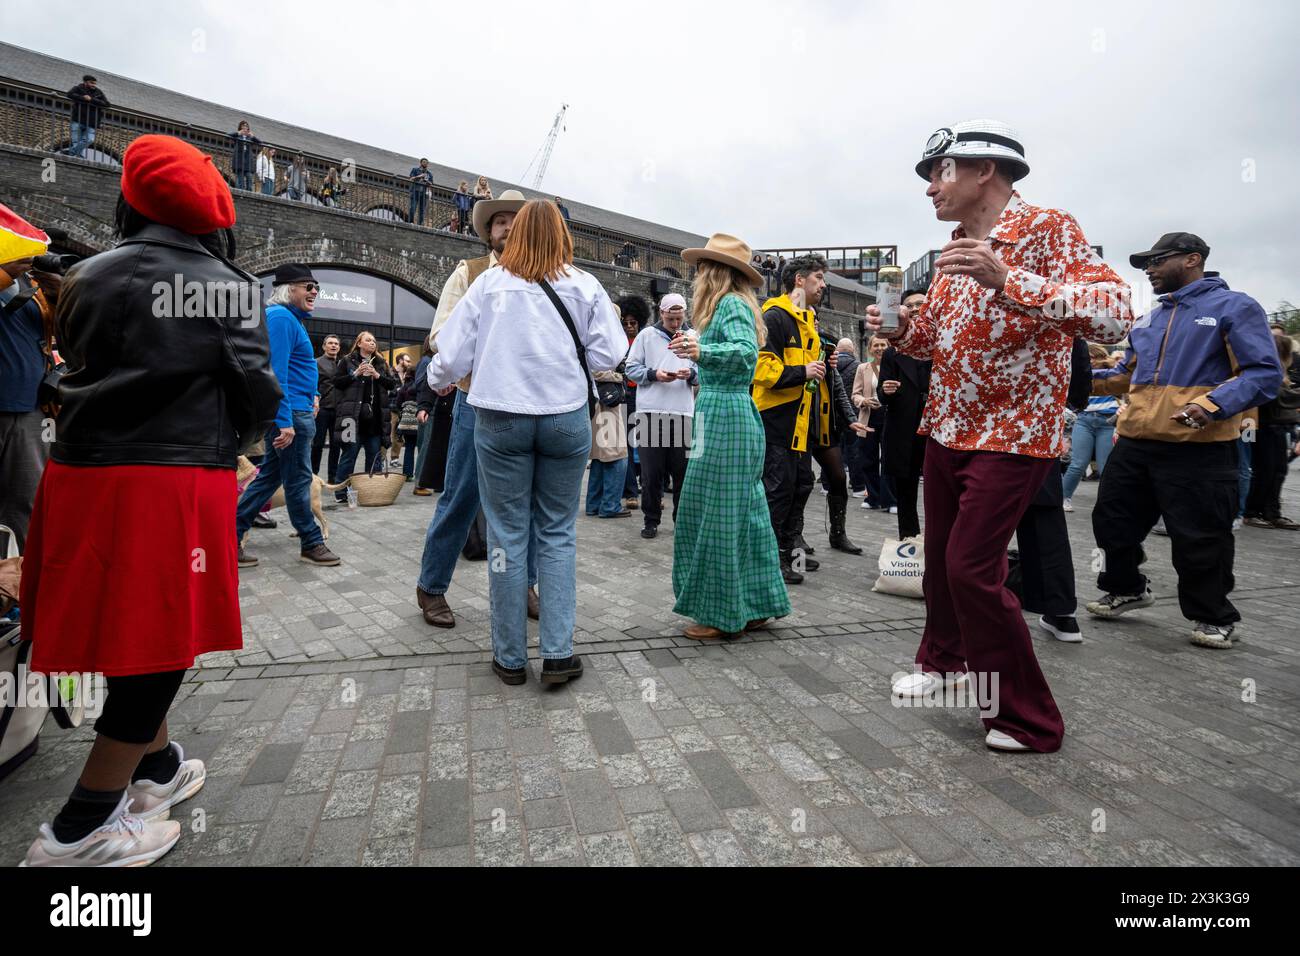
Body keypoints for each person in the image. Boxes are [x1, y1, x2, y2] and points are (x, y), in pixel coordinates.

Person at [20, 135, 281, 866]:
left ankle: (157, 769)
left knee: (124, 627)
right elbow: (259, 393)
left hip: (79, 472)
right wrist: (241, 437)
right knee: (162, 644)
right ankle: (80, 827)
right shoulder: (226, 284)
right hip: (170, 478)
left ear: (131, 197)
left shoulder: (85, 275)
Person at [870, 119, 1133, 753]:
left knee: (970, 569)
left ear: (983, 170)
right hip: (948, 426)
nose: (931, 187)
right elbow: (935, 340)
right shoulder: (955, 247)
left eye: (940, 172)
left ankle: (1025, 717)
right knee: (941, 562)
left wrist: (1009, 280)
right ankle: (945, 665)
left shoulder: (1047, 229)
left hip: (1012, 433)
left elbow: (1117, 313)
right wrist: (902, 327)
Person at [426, 199, 626, 685]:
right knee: (557, 533)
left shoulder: (489, 284)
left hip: (500, 420)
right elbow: (612, 352)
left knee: (507, 534)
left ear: (517, 236)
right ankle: (558, 654)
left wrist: (436, 380)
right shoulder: (585, 284)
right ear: (562, 235)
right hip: (563, 418)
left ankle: (510, 658)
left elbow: (448, 358)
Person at [1087, 233, 1282, 648]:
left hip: (1202, 448)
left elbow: (1263, 374)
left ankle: (1213, 616)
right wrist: (1069, 381)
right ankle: (1128, 587)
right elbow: (1123, 375)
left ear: (1193, 259)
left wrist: (1210, 405)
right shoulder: (1149, 319)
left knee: (1199, 537)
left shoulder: (1235, 307)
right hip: (1137, 441)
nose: (1149, 269)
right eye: (1145, 263)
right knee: (1110, 522)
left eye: (1158, 260)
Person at [415, 189, 540, 629]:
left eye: (515, 220)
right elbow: (438, 337)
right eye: (499, 221)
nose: (507, 227)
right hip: (476, 398)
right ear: (488, 231)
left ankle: (524, 582)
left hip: (528, 402)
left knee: (524, 500)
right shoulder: (467, 273)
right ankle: (431, 587)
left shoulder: (541, 277)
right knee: (462, 495)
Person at [668, 234, 790, 639]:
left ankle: (720, 614)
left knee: (716, 513)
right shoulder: (728, 306)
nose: (696, 274)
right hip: (722, 411)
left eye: (701, 267)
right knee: (743, 512)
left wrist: (702, 352)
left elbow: (744, 354)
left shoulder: (731, 304)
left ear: (715, 272)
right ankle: (755, 604)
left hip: (725, 414)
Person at [756, 255, 865, 585]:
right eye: (818, 277)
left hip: (802, 425)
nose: (823, 284)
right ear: (799, 281)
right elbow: (761, 370)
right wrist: (803, 371)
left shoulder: (807, 322)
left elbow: (818, 377)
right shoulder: (774, 316)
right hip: (777, 422)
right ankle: (772, 563)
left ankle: (794, 558)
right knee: (778, 492)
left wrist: (823, 360)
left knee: (800, 487)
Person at [236, 264, 341, 568]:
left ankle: (230, 535)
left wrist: (314, 396)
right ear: (288, 289)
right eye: (308, 286)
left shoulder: (288, 319)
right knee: (297, 481)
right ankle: (311, 541)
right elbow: (276, 373)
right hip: (291, 415)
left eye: (316, 286)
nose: (314, 291)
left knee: (270, 477)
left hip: (298, 409)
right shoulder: (281, 318)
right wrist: (283, 420)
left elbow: (293, 371)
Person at [1013, 337, 1092, 644]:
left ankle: (966, 605)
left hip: (985, 431)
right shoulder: (1059, 311)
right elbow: (1080, 383)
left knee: (977, 520)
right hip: (1037, 429)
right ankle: (1060, 611)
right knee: (1045, 522)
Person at [0, 210, 60, 552]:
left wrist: (59, 292)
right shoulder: (9, 277)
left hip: (31, 409)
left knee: (26, 501)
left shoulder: (34, 286)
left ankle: (18, 584)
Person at [625, 293, 697, 539]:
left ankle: (683, 521)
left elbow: (705, 372)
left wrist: (692, 375)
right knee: (651, 472)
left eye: (679, 318)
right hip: (649, 411)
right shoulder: (646, 336)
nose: (676, 324)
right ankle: (651, 519)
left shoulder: (693, 337)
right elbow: (631, 369)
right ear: (661, 313)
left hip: (684, 412)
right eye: (671, 319)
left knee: (684, 473)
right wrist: (655, 374)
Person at [877, 289, 932, 538]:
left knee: (940, 491)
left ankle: (938, 543)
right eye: (910, 305)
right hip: (904, 427)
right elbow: (881, 393)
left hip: (935, 428)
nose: (916, 308)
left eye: (921, 303)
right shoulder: (892, 351)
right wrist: (887, 390)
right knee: (906, 490)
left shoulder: (942, 345)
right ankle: (909, 541)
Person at [331, 331, 397, 495]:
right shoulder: (347, 361)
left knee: (374, 459)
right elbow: (337, 383)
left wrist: (377, 375)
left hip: (375, 420)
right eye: (368, 340)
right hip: (351, 419)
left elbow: (392, 385)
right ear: (359, 343)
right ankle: (341, 493)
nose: (372, 343)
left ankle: (371, 492)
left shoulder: (381, 363)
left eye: (374, 341)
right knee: (348, 457)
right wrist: (355, 374)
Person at [1061, 342, 1120, 511]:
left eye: (1091, 357)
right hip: (1084, 420)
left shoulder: (1112, 373)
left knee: (1105, 466)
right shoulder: (1081, 373)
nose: (1089, 360)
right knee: (1078, 463)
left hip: (1107, 422)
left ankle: (1110, 503)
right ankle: (1064, 498)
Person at [855, 335, 897, 513]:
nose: (880, 348)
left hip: (890, 416)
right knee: (868, 458)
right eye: (876, 345)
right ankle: (873, 497)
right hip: (869, 416)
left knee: (889, 458)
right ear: (870, 349)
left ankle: (891, 500)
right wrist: (864, 401)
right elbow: (854, 393)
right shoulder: (862, 368)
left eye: (883, 345)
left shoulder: (896, 366)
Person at [617, 296, 651, 509]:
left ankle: (649, 490)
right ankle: (631, 492)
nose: (629, 327)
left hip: (646, 396)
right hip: (626, 397)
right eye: (625, 323)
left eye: (633, 323)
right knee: (628, 444)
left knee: (650, 444)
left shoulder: (646, 341)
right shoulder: (618, 342)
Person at [312, 335, 345, 479]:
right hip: (322, 408)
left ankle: (333, 477)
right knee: (317, 444)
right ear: (324, 346)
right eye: (330, 343)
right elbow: (312, 385)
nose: (333, 346)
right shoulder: (316, 363)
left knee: (336, 445)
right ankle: (313, 475)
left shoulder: (343, 363)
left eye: (336, 344)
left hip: (339, 410)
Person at [63, 74, 109, 159]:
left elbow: (107, 104)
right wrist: (83, 98)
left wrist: (91, 99)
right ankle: (77, 156)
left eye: (95, 83)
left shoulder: (98, 92)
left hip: (92, 121)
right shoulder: (78, 88)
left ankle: (71, 151)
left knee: (89, 139)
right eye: (91, 83)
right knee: (76, 141)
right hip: (77, 119)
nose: (93, 85)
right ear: (85, 82)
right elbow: (69, 94)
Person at [228, 121, 261, 191]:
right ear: (240, 127)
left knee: (249, 178)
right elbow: (228, 136)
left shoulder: (250, 137)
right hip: (239, 161)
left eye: (246, 126)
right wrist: (237, 133)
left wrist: (253, 137)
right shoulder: (237, 136)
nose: (245, 127)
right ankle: (240, 194)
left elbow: (260, 143)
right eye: (243, 126)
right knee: (240, 181)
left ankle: (249, 194)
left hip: (248, 161)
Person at [408, 158, 434, 225]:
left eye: (426, 163)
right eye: (424, 162)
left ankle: (420, 224)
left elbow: (431, 184)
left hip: (424, 193)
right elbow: (411, 179)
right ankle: (410, 221)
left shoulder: (429, 174)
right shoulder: (415, 170)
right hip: (415, 191)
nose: (425, 163)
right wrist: (419, 176)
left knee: (422, 210)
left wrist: (427, 181)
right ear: (421, 163)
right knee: (413, 208)